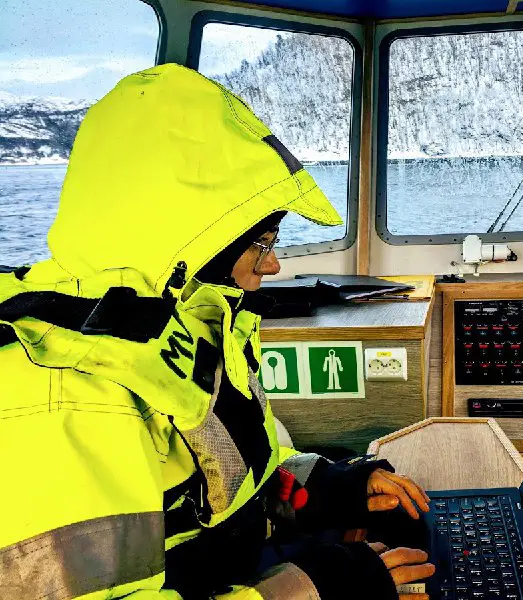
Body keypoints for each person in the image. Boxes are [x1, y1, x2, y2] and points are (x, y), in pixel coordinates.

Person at [0, 63, 433, 600]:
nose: (272, 266)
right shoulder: (64, 390)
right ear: (191, 244)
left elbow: (239, 473)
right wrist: (317, 589)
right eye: (262, 242)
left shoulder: (196, 325)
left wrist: (325, 490)